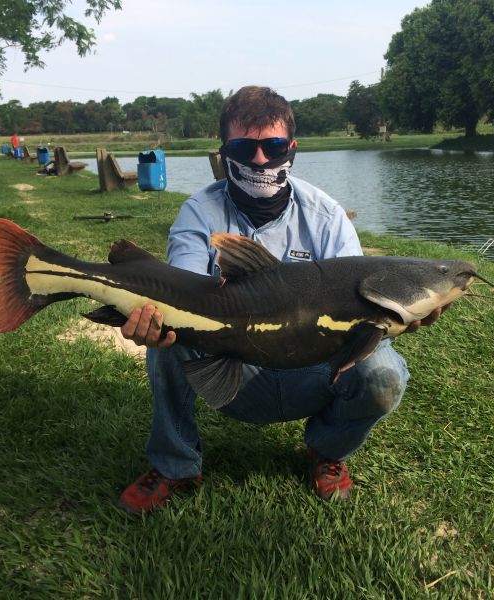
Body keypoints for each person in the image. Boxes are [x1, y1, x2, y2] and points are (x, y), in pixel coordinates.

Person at [116, 86, 446, 514]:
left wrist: (398, 317)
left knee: (383, 373)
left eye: (272, 146)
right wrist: (156, 320)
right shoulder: (199, 212)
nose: (259, 159)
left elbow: (361, 306)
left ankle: (328, 452)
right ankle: (175, 464)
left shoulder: (326, 216)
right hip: (232, 366)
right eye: (243, 148)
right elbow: (184, 291)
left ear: (292, 148)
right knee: (168, 335)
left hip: (314, 367)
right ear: (224, 151)